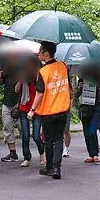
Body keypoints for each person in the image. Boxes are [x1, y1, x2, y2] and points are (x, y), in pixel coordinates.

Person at [28, 41, 71, 180]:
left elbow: (39, 93)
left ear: (46, 54)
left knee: (49, 140)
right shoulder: (63, 66)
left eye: (40, 51)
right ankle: (57, 168)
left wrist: (32, 110)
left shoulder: (43, 72)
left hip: (48, 111)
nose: (38, 53)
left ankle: (49, 167)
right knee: (59, 138)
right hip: (63, 109)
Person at [18, 59, 43, 168]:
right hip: (24, 109)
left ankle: (42, 153)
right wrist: (20, 81)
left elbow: (42, 93)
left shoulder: (40, 79)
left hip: (37, 110)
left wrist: (38, 76)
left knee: (36, 135)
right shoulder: (25, 78)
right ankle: (26, 157)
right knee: (25, 135)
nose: (30, 68)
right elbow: (16, 90)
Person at [75, 76, 100, 164]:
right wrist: (80, 87)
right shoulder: (81, 80)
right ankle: (91, 155)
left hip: (96, 108)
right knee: (86, 133)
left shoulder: (98, 79)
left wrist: (98, 87)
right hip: (85, 109)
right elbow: (76, 95)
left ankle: (95, 154)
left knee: (92, 131)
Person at [0, 64, 20, 162]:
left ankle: (27, 152)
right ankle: (12, 153)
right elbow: (1, 82)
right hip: (7, 101)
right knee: (7, 126)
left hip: (21, 102)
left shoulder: (22, 66)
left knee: (24, 129)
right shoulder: (5, 65)